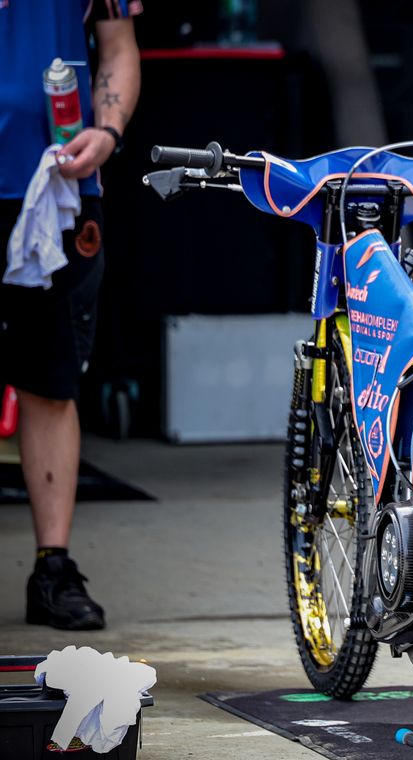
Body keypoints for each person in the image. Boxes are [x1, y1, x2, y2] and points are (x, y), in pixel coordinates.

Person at [0, 1, 142, 630]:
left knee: (51, 381)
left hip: (56, 185)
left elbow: (116, 46)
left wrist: (107, 132)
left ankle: (52, 567)